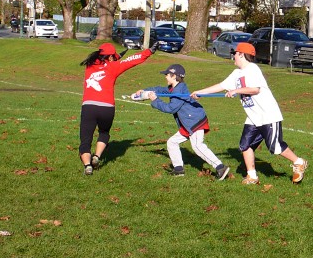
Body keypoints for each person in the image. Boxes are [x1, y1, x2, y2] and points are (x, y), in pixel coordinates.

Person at [189, 42, 307, 185]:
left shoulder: (253, 69)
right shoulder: (236, 73)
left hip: (268, 114)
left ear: (241, 54)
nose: (233, 57)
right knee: (245, 145)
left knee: (274, 146)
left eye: (235, 54)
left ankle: (298, 162)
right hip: (253, 116)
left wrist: (235, 91)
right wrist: (200, 92)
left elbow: (255, 89)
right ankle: (252, 176)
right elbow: (221, 86)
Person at [132, 63, 230, 180]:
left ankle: (220, 167)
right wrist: (145, 91)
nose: (165, 77)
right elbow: (160, 89)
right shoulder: (174, 88)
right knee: (172, 142)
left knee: (198, 146)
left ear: (174, 76)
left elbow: (170, 108)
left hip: (194, 121)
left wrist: (155, 100)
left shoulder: (180, 90)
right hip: (188, 122)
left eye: (167, 75)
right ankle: (179, 170)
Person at [79, 42, 154, 175]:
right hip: (107, 108)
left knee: (85, 139)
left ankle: (87, 165)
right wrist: (149, 51)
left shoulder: (89, 65)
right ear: (110, 57)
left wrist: (115, 56)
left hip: (89, 106)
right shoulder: (114, 67)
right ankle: (96, 156)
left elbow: (107, 61)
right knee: (104, 132)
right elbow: (132, 61)